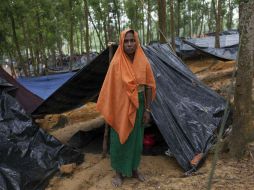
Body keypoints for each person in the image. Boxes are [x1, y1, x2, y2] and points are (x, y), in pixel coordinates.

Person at [96, 29, 156, 187]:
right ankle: (118, 172)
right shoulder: (116, 63)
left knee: (136, 138)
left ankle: (134, 169)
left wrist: (147, 110)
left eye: (132, 40)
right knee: (119, 139)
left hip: (140, 104)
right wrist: (114, 107)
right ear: (122, 43)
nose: (130, 44)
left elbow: (149, 86)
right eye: (126, 41)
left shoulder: (143, 61)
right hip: (121, 106)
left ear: (137, 41)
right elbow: (110, 89)